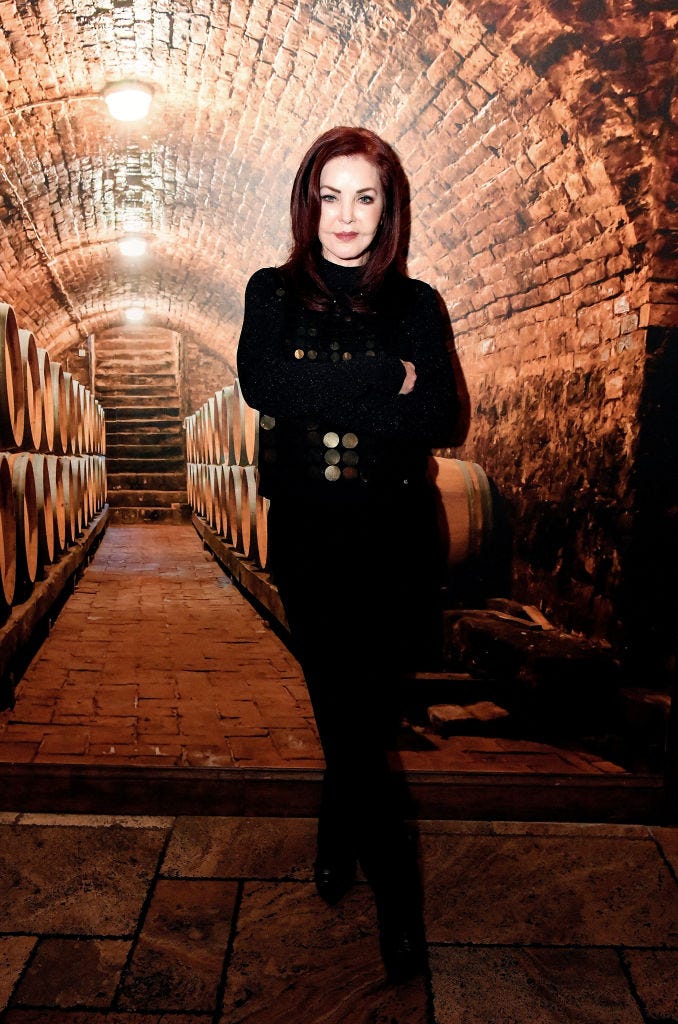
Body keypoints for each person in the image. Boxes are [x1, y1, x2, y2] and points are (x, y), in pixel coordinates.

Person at [236, 125, 460, 984]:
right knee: (347, 713)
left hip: (399, 541)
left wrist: (343, 390)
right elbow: (267, 384)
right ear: (307, 203)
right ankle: (401, 908)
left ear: (388, 207)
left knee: (361, 716)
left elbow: (436, 417)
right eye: (330, 195)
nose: (346, 216)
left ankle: (336, 828)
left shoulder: (419, 303)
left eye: (364, 196)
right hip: (310, 541)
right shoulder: (272, 293)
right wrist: (381, 379)